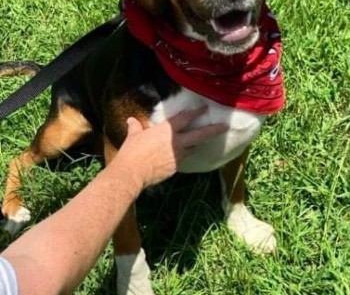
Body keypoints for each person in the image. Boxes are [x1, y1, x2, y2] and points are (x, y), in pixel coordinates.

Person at [0, 107, 226, 295]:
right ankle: (19, 170)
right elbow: (31, 279)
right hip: (82, 105)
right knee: (53, 142)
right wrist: (133, 172)